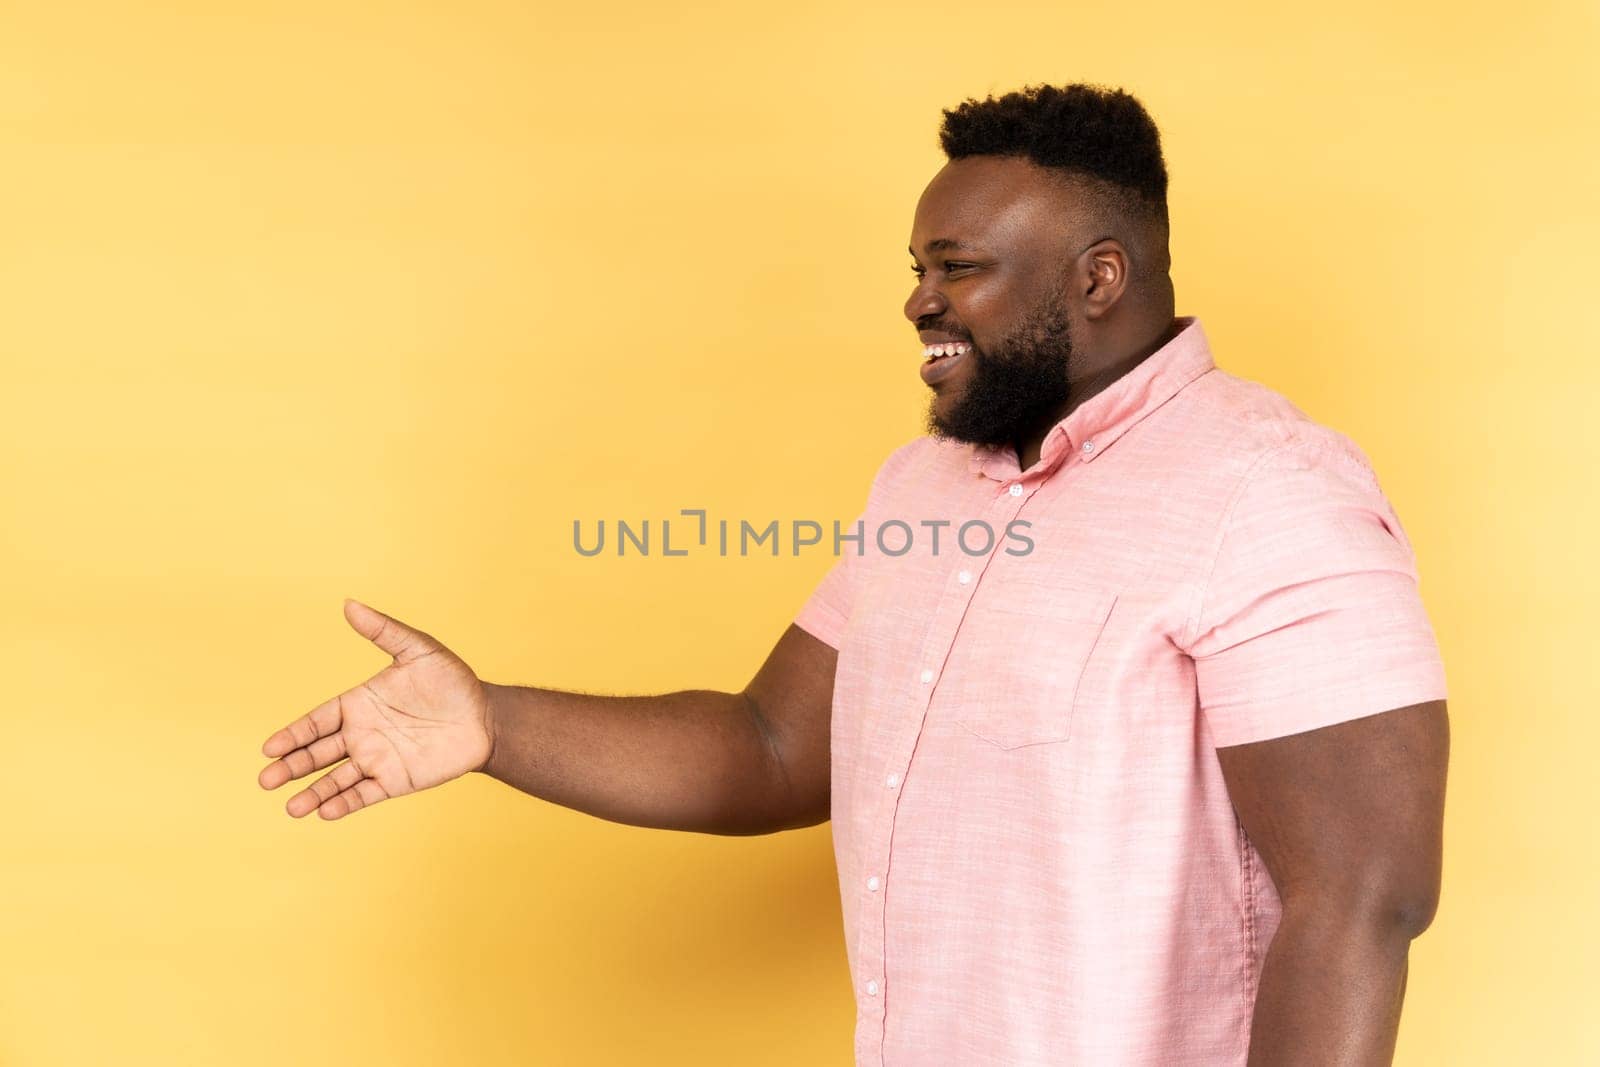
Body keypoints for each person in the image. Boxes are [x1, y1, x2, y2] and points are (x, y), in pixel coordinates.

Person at [257, 83, 1450, 1066]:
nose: (918, 301)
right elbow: (771, 745)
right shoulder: (920, 487)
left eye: (958, 266)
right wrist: (489, 722)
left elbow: (1361, 895)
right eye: (917, 266)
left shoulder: (1267, 487)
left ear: (1097, 277)